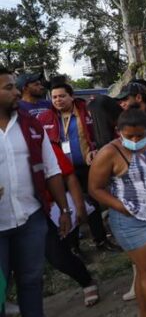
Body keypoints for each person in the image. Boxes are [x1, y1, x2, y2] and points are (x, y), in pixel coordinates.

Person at [0, 67, 71, 317]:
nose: (16, 92)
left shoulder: (30, 124)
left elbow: (51, 169)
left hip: (31, 220)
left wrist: (64, 210)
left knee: (31, 282)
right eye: (8, 88)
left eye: (14, 86)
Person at [88, 107, 146, 317]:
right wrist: (120, 206)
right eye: (129, 135)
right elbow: (94, 188)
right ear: (118, 131)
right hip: (130, 220)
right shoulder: (109, 153)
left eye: (139, 135)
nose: (135, 140)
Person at [38, 83, 122, 252]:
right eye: (54, 97)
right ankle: (74, 246)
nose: (58, 100)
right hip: (61, 170)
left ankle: (101, 240)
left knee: (93, 202)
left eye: (62, 96)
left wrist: (97, 150)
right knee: (69, 205)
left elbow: (102, 132)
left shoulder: (86, 111)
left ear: (71, 96)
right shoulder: (45, 118)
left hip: (86, 166)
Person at [45, 138, 100, 307]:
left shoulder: (34, 135)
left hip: (41, 212)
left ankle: (86, 281)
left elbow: (68, 176)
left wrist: (74, 207)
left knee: (57, 256)